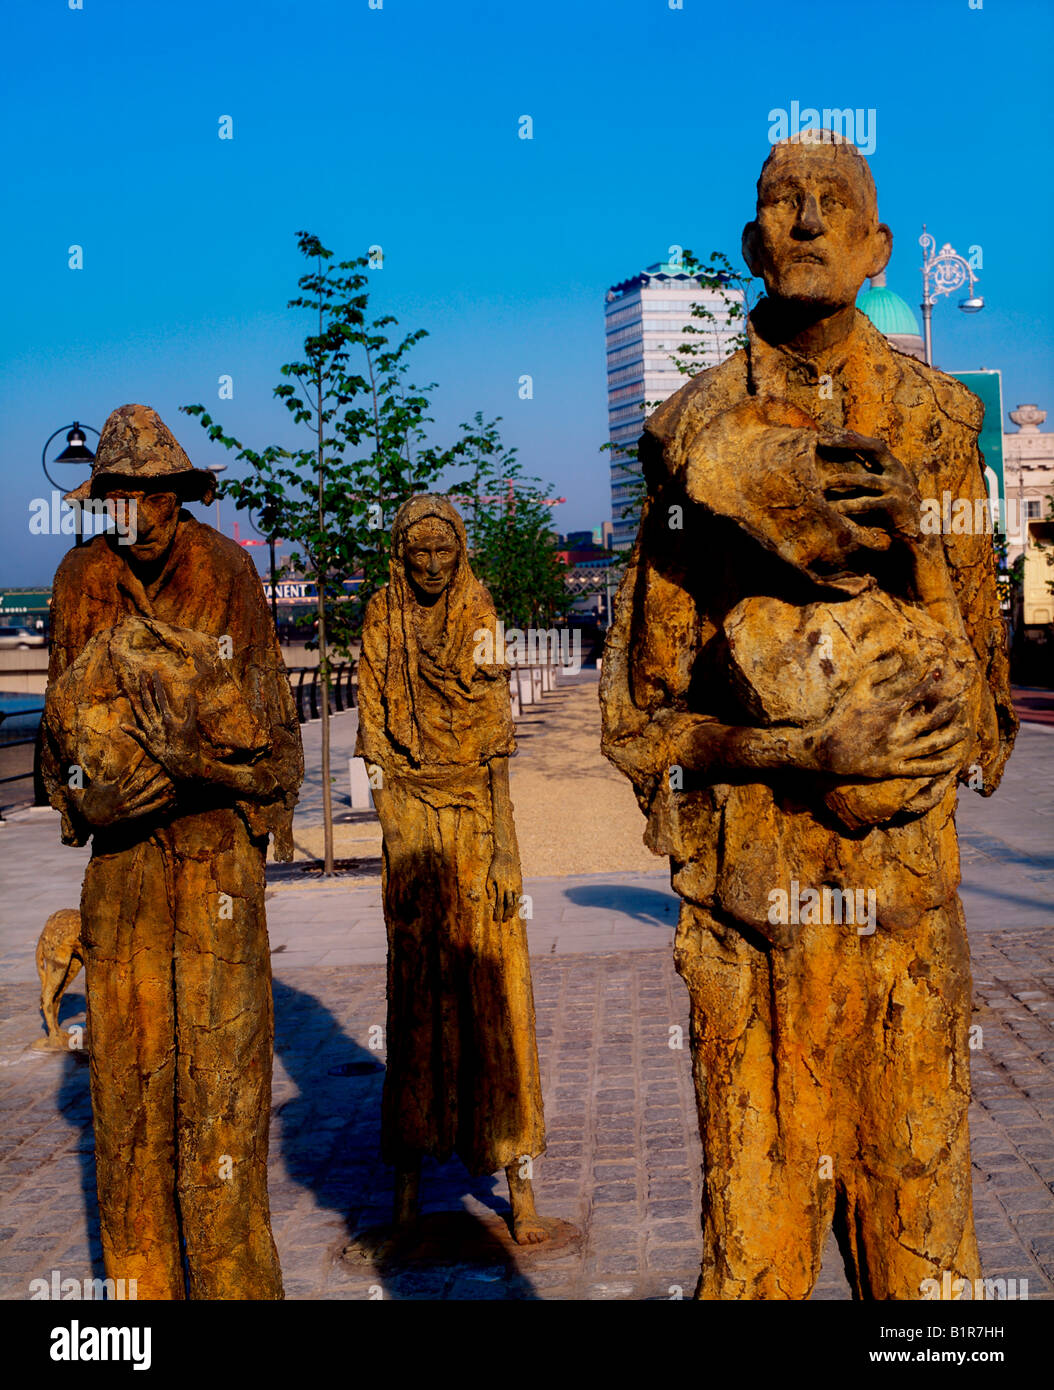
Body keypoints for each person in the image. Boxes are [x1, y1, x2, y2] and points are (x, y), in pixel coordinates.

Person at [600, 132, 1016, 1300]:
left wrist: (923, 542)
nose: (806, 219)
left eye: (835, 202)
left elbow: (981, 721)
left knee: (926, 1262)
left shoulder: (940, 426)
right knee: (753, 1258)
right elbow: (646, 723)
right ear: (749, 244)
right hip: (749, 924)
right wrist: (801, 749)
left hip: (903, 916)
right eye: (781, 200)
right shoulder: (689, 436)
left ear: (877, 245)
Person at [42, 403, 303, 1299]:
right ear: (105, 499)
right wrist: (95, 794)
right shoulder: (80, 580)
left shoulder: (227, 570)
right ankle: (142, 1301)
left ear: (177, 497)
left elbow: (278, 755)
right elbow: (56, 753)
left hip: (216, 866)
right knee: (127, 1097)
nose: (138, 515)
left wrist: (200, 770)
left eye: (154, 496)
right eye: (120, 497)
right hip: (121, 874)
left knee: (224, 1093)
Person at [355, 494, 549, 1244]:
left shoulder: (479, 610)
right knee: (415, 994)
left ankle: (519, 1185)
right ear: (401, 557)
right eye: (417, 555)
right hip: (411, 820)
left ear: (459, 551)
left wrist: (504, 848)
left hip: (476, 825)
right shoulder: (382, 616)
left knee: (496, 993)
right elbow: (372, 738)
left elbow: (497, 742)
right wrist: (391, 828)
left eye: (443, 552)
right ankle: (406, 1192)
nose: (431, 567)